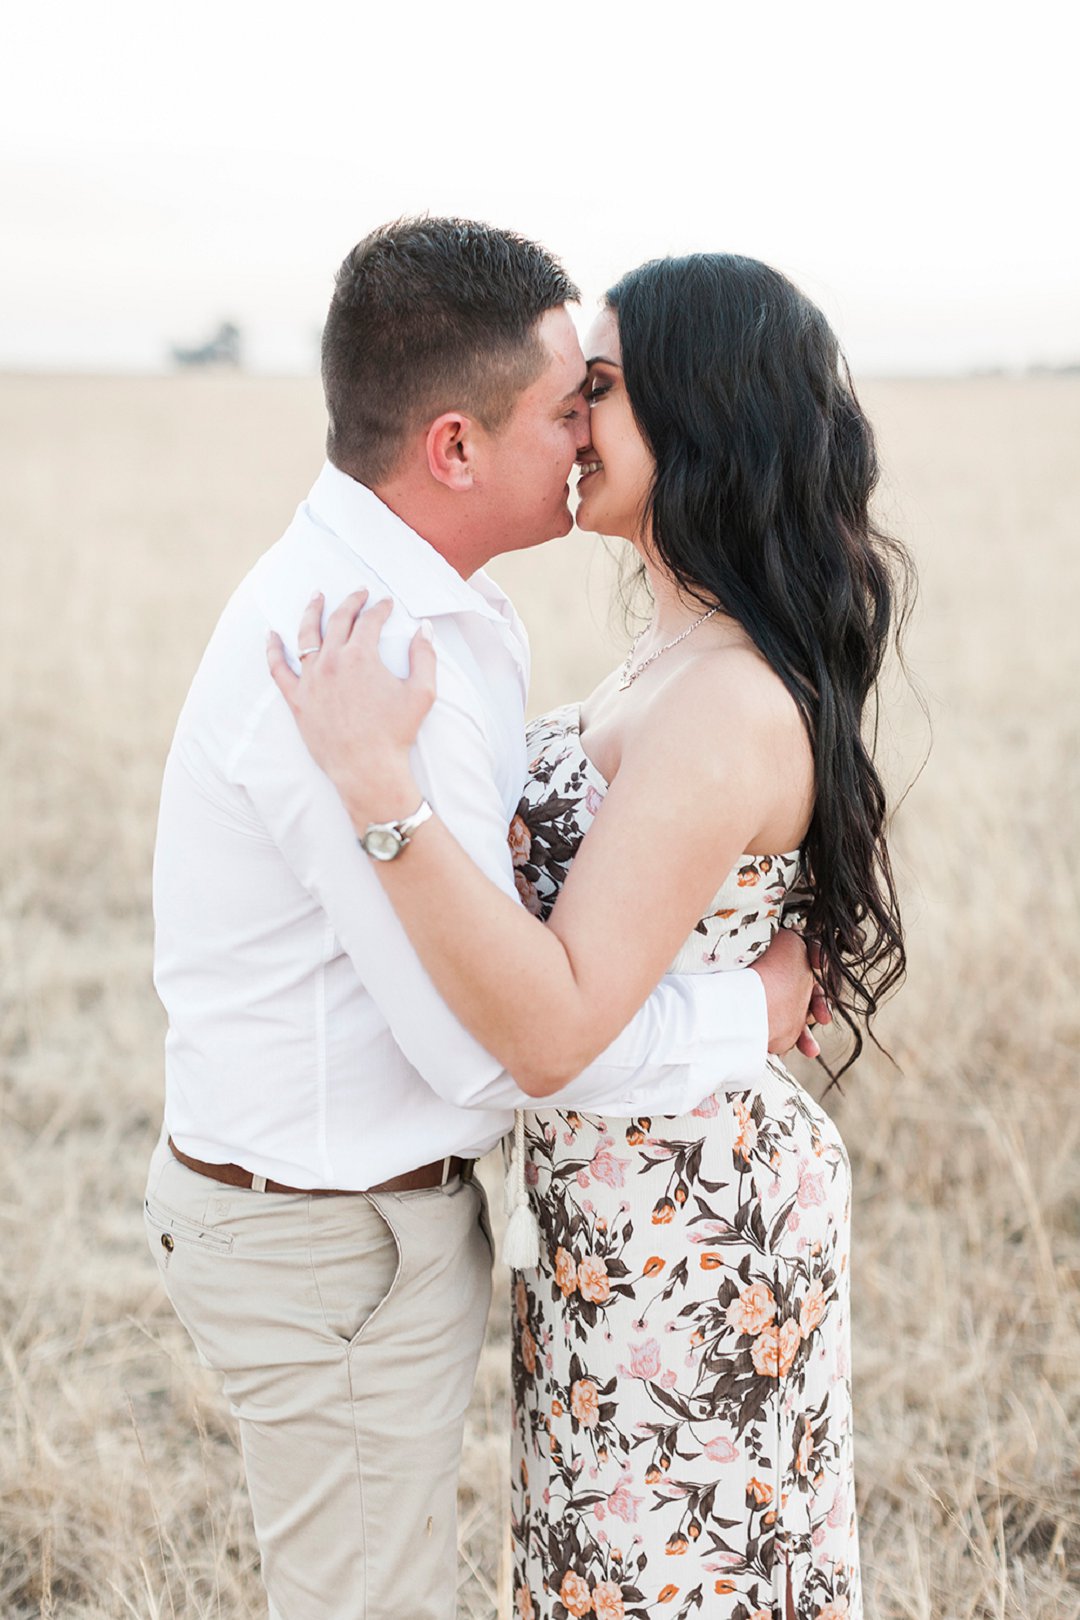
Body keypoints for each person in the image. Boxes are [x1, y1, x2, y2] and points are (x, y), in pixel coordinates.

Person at [146, 219, 819, 1620]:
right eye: (570, 400)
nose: (583, 430)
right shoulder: (367, 654)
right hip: (331, 1238)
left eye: (604, 392)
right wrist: (745, 1011)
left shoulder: (461, 617)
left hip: (522, 1229)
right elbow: (500, 1052)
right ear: (455, 448)